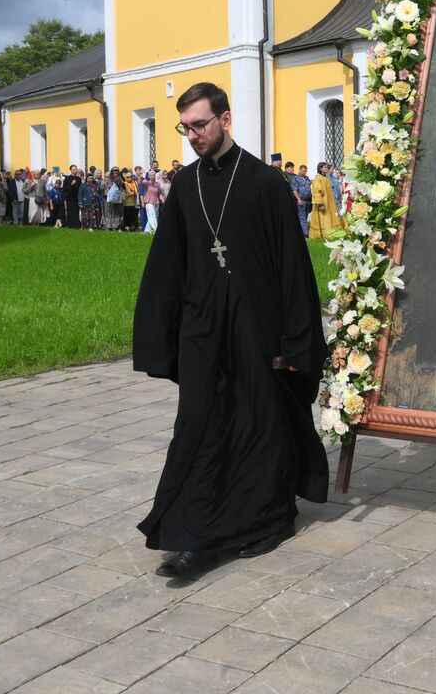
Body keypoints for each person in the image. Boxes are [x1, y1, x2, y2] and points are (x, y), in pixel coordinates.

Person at [132, 82, 328, 579]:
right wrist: (165, 332)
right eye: (186, 128)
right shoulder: (185, 187)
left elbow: (292, 269)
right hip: (203, 331)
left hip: (257, 332)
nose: (193, 135)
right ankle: (193, 538)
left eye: (200, 124)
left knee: (259, 426)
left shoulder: (264, 184)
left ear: (225, 119)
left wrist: (293, 342)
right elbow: (169, 266)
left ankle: (271, 518)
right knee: (198, 427)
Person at [308, 162, 340, 238]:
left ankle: (332, 233)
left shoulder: (326, 179)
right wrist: (320, 204)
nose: (327, 169)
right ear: (320, 168)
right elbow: (317, 192)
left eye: (327, 167)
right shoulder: (317, 179)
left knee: (329, 217)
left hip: (329, 203)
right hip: (322, 203)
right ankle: (325, 234)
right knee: (323, 219)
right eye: (325, 167)